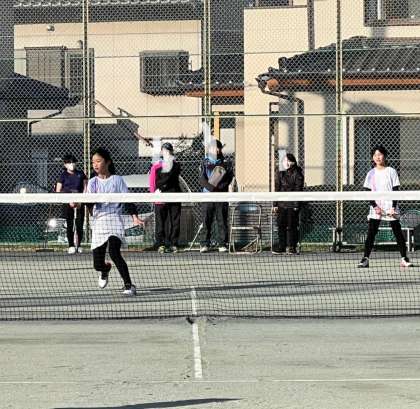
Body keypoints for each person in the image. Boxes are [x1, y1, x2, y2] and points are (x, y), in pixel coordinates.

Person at [87, 148, 143, 296]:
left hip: (114, 221)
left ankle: (129, 285)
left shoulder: (117, 180)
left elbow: (127, 199)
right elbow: (88, 202)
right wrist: (78, 203)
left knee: (114, 252)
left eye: (98, 161)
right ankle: (105, 269)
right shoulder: (92, 182)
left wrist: (134, 216)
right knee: (97, 264)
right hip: (99, 222)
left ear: (108, 162)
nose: (95, 164)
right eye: (93, 162)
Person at [358, 145, 412, 268]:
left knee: (398, 233)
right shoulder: (370, 173)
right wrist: (375, 207)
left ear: (385, 156)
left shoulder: (391, 171)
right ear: (372, 157)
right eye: (375, 155)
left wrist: (393, 207)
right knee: (371, 233)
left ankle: (404, 258)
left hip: (390, 207)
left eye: (380, 154)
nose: (377, 157)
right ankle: (365, 259)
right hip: (376, 208)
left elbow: (395, 189)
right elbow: (367, 191)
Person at [199, 139, 234, 253]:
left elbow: (229, 178)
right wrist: (211, 188)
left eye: (217, 147)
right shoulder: (204, 162)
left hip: (221, 196)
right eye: (213, 147)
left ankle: (222, 244)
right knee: (206, 220)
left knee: (222, 220)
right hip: (207, 196)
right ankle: (204, 244)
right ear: (209, 149)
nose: (216, 150)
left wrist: (220, 188)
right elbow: (202, 179)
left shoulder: (226, 163)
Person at [149, 142, 182, 253]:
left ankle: (173, 244)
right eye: (164, 150)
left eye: (168, 150)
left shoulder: (176, 165)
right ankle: (161, 244)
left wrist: (161, 187)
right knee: (161, 222)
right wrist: (154, 194)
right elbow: (152, 182)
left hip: (174, 196)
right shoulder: (156, 166)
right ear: (162, 152)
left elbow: (170, 177)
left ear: (171, 152)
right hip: (160, 198)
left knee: (175, 221)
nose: (166, 152)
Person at [272, 153, 304, 254]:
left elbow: (298, 190)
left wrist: (296, 205)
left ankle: (292, 247)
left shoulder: (298, 174)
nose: (286, 162)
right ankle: (282, 246)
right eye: (285, 160)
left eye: (288, 161)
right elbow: (277, 190)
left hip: (292, 205)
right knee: (281, 225)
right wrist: (275, 204)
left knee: (292, 226)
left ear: (293, 162)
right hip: (282, 205)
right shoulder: (280, 174)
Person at [56, 154, 87, 254]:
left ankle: (79, 245)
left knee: (79, 224)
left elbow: (85, 188)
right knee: (69, 224)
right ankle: (71, 245)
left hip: (79, 203)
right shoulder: (63, 175)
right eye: (69, 162)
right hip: (67, 203)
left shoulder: (81, 174)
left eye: (73, 162)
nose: (72, 164)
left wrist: (81, 201)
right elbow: (58, 190)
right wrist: (68, 200)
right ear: (65, 164)